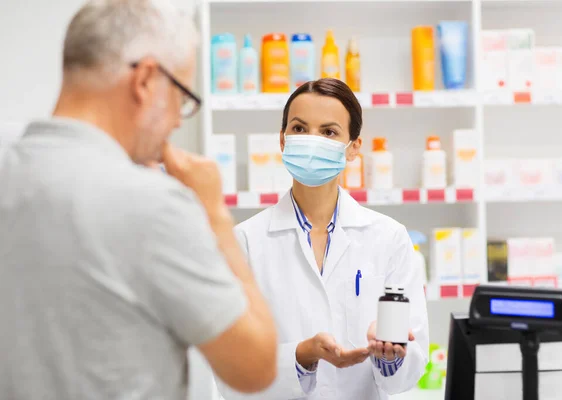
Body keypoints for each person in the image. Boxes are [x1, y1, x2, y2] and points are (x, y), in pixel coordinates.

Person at [0, 1, 277, 399]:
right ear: (146, 80)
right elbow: (255, 368)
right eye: (182, 98)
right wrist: (214, 215)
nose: (179, 122)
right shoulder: (154, 205)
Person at [216, 78, 429, 400]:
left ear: (353, 148)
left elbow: (407, 372)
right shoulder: (244, 241)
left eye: (328, 132)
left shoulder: (389, 238)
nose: (311, 142)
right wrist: (301, 355)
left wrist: (389, 354)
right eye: (300, 129)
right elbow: (231, 365)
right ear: (283, 140)